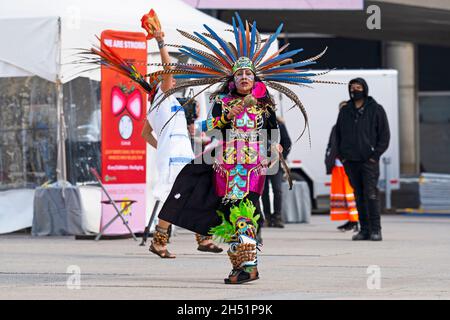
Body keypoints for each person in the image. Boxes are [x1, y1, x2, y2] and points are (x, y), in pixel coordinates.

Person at [141, 30, 222, 258]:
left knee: (197, 192)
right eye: (169, 79)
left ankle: (203, 238)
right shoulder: (163, 95)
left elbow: (144, 134)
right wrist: (160, 41)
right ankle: (160, 242)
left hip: (179, 154)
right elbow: (169, 69)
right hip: (175, 158)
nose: (174, 80)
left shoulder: (162, 103)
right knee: (175, 197)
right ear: (159, 82)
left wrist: (164, 146)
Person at [335, 78, 390, 241]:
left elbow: (384, 136)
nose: (355, 90)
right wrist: (343, 156)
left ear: (364, 89)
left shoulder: (376, 109)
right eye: (352, 87)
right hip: (350, 161)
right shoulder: (345, 111)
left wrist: (374, 157)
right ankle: (364, 229)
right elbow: (338, 135)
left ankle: (376, 230)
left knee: (371, 194)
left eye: (358, 87)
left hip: (369, 161)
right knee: (358, 195)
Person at [325, 101, 358, 232]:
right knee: (341, 195)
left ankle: (356, 220)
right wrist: (328, 160)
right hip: (337, 166)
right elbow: (330, 145)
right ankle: (350, 220)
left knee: (351, 194)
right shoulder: (336, 127)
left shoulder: (355, 126)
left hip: (349, 166)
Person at [261, 117, 292, 228]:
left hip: (276, 163)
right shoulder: (258, 122)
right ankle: (267, 217)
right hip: (261, 162)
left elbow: (287, 142)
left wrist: (282, 157)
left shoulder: (279, 125)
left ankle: (277, 217)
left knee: (277, 190)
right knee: (263, 191)